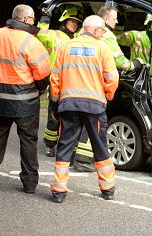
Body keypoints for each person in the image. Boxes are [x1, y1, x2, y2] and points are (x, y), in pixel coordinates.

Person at [49, 15, 119, 203]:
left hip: (69, 104)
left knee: (65, 145)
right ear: (95, 30)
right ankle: (107, 188)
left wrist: (56, 104)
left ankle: (59, 190)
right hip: (94, 106)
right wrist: (107, 97)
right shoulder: (103, 49)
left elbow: (55, 78)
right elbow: (112, 78)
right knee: (100, 145)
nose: (103, 34)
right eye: (103, 31)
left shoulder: (66, 47)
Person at [0, 4, 51, 194]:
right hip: (25, 101)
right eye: (33, 19)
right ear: (26, 20)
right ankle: (29, 184)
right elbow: (43, 73)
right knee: (28, 141)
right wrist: (40, 89)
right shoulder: (31, 41)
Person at [37, 8, 83, 157]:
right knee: (54, 116)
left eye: (77, 22)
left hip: (74, 84)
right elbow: (40, 35)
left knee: (71, 118)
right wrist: (45, 18)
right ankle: (50, 144)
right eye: (72, 21)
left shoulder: (78, 37)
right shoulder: (54, 34)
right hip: (57, 83)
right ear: (64, 21)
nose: (74, 24)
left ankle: (68, 146)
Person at [97, 6, 142, 72]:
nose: (117, 21)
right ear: (106, 19)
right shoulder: (108, 35)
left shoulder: (83, 31)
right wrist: (135, 63)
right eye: (114, 19)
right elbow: (121, 63)